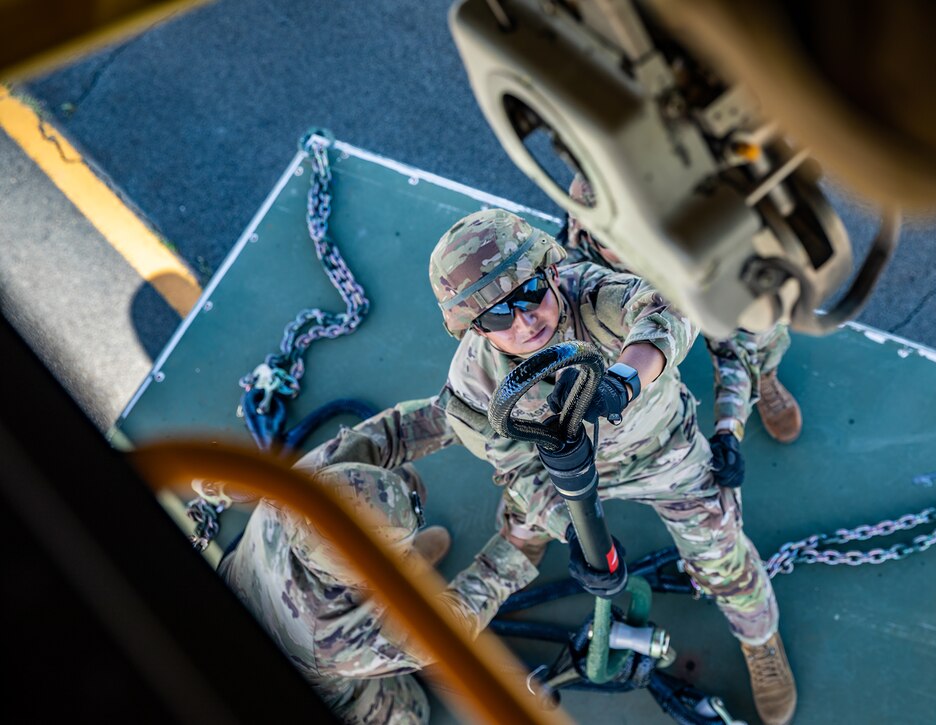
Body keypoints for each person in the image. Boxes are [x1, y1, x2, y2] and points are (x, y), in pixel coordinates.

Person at [295, 208, 796, 724]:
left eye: (529, 293)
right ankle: (541, 542)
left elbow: (664, 310)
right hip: (560, 476)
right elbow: (514, 468)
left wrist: (624, 380)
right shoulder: (475, 381)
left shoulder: (590, 296)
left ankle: (760, 638)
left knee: (722, 554)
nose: (522, 321)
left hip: (662, 454)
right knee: (520, 524)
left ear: (552, 273)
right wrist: (573, 530)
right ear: (476, 329)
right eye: (495, 317)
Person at [218, 461, 537, 724]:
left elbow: (378, 439)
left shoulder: (291, 491)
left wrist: (458, 411)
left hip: (241, 608)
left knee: (378, 501)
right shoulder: (334, 638)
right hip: (291, 683)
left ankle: (399, 560)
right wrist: (518, 543)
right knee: (410, 714)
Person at [564, 173, 802, 493]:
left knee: (758, 318)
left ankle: (765, 376)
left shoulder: (694, 246)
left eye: (636, 236)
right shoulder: (576, 266)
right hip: (628, 329)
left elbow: (733, 345)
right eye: (613, 241)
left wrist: (729, 429)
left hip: (692, 281)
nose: (631, 251)